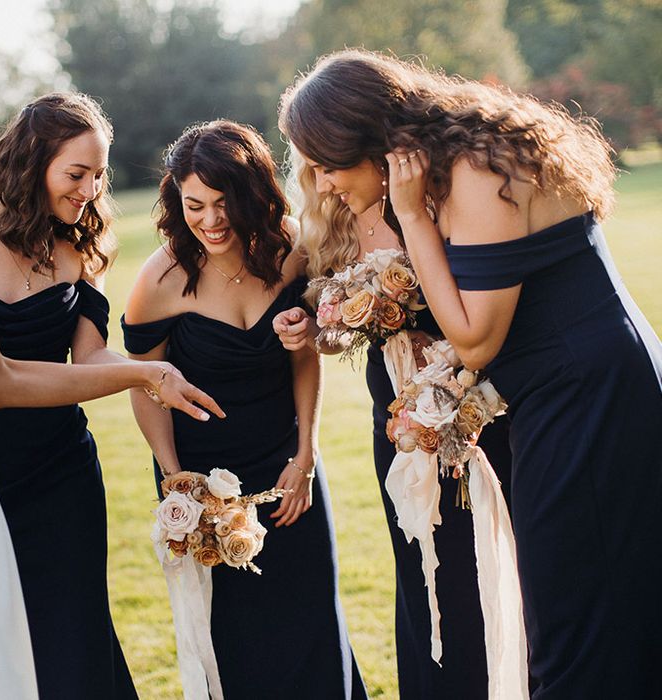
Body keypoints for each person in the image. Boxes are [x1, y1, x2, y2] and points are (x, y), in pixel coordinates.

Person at [277, 48, 662, 700]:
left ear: (374, 145)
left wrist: (415, 217)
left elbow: (477, 339)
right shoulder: (456, 159)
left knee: (576, 626)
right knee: (584, 612)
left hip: (589, 397)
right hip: (553, 395)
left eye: (328, 164)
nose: (321, 183)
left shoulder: (481, 167)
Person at [0, 24, 222, 700]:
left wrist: (142, 370)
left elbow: (87, 356)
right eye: (78, 172)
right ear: (32, 161)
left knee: (71, 630)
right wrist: (143, 373)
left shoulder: (80, 251)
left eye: (99, 174)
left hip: (58, 468)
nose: (91, 189)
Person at [122, 120, 367, 699]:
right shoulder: (159, 279)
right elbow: (143, 384)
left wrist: (306, 452)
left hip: (289, 472)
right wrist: (174, 478)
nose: (210, 220)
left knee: (312, 623)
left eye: (223, 201)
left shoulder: (289, 250)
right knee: (235, 641)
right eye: (194, 205)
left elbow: (305, 360)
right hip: (207, 487)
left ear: (251, 190)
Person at [273, 126, 513, 700]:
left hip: (476, 401)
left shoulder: (438, 199)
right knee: (424, 565)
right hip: (397, 413)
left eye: (327, 164)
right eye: (311, 168)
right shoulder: (331, 220)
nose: (322, 180)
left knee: (490, 552)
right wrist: (309, 329)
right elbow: (334, 333)